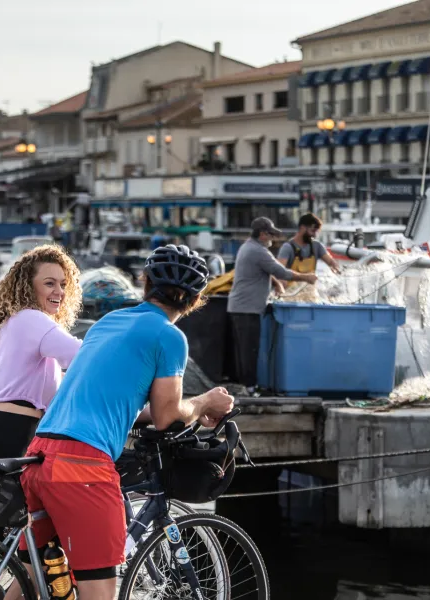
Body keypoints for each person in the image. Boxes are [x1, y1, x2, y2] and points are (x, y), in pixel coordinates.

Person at [17, 244, 235, 600]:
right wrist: (204, 402)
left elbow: (118, 400)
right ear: (196, 300)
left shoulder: (109, 322)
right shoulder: (169, 336)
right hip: (82, 467)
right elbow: (167, 417)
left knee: (29, 583)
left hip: (40, 455)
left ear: (144, 281)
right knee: (98, 590)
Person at [0, 244, 83, 541]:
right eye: (49, 283)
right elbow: (83, 357)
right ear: (27, 287)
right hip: (12, 440)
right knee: (47, 530)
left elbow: (53, 389)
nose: (59, 291)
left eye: (63, 284)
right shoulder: (33, 320)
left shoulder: (11, 324)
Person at [227, 217, 317, 392]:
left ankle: (245, 386)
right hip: (247, 309)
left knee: (244, 350)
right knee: (249, 350)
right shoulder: (259, 251)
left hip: (240, 307)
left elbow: (267, 271)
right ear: (262, 234)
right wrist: (307, 277)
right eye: (270, 235)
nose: (272, 239)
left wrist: (275, 283)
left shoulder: (248, 247)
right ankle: (250, 388)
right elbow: (280, 271)